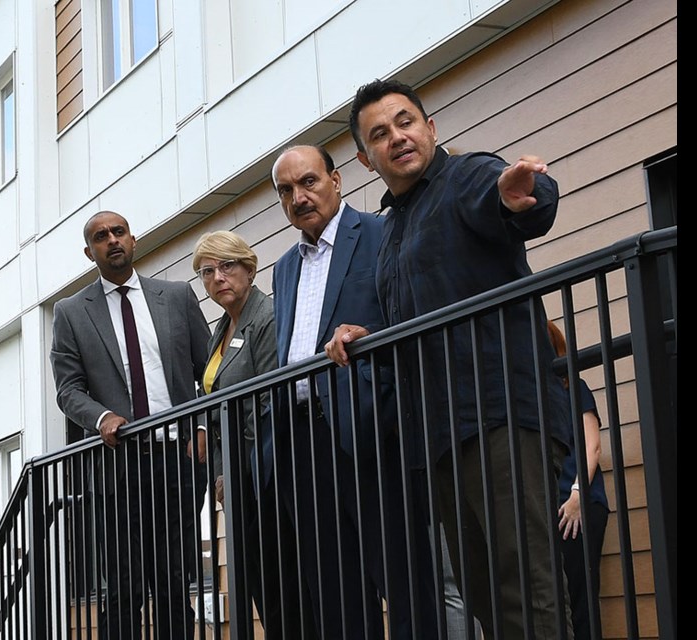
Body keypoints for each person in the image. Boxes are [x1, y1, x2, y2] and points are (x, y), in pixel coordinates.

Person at [327, 79, 573, 639]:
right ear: (366, 159)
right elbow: (416, 326)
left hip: (502, 415)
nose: (398, 138)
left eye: (406, 121)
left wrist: (519, 197)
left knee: (529, 593)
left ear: (431, 128)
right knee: (486, 599)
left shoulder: (466, 176)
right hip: (440, 438)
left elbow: (519, 200)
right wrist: (368, 338)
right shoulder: (391, 233)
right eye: (380, 134)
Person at [271, 144, 434, 639]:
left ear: (336, 181)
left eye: (309, 182)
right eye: (286, 190)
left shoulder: (382, 232)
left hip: (369, 426)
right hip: (300, 438)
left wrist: (369, 335)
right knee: (333, 587)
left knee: (403, 578)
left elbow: (413, 315)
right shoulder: (283, 267)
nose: (299, 197)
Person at [49, 211, 210, 640]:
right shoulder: (70, 312)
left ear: (133, 240)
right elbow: (68, 390)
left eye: (119, 232)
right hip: (117, 466)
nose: (112, 240)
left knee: (175, 580)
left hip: (177, 460)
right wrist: (101, 417)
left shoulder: (176, 296)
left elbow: (209, 369)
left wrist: (203, 428)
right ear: (90, 252)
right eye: (101, 237)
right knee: (124, 586)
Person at [191, 230, 297, 639]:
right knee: (257, 584)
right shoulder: (221, 328)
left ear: (249, 269)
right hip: (236, 480)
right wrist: (221, 472)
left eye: (227, 266)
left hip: (268, 473)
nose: (218, 277)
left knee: (279, 584)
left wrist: (247, 470)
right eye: (207, 271)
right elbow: (213, 413)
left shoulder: (265, 317)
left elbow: (273, 401)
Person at [547, 321, 609, 640]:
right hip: (550, 511)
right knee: (555, 600)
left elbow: (592, 445)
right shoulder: (535, 399)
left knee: (580, 596)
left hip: (577, 504)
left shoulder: (575, 388)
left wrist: (575, 496)